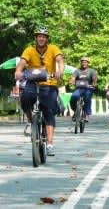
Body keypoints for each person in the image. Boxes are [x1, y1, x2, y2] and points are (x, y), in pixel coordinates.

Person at [15, 25, 64, 156]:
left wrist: (59, 71)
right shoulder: (29, 50)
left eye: (44, 36)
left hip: (49, 83)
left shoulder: (53, 49)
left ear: (47, 39)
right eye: (39, 36)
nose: (41, 38)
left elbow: (60, 60)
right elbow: (22, 62)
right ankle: (31, 121)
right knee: (25, 99)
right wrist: (18, 71)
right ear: (36, 38)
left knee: (48, 110)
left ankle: (49, 143)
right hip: (32, 82)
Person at [70, 57, 97, 122]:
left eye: (85, 62)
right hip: (78, 88)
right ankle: (76, 111)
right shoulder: (77, 71)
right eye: (82, 62)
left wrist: (94, 84)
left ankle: (86, 114)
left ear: (88, 63)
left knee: (87, 98)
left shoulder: (91, 71)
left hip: (88, 88)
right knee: (73, 97)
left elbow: (94, 78)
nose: (84, 63)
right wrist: (72, 82)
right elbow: (73, 78)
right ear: (80, 63)